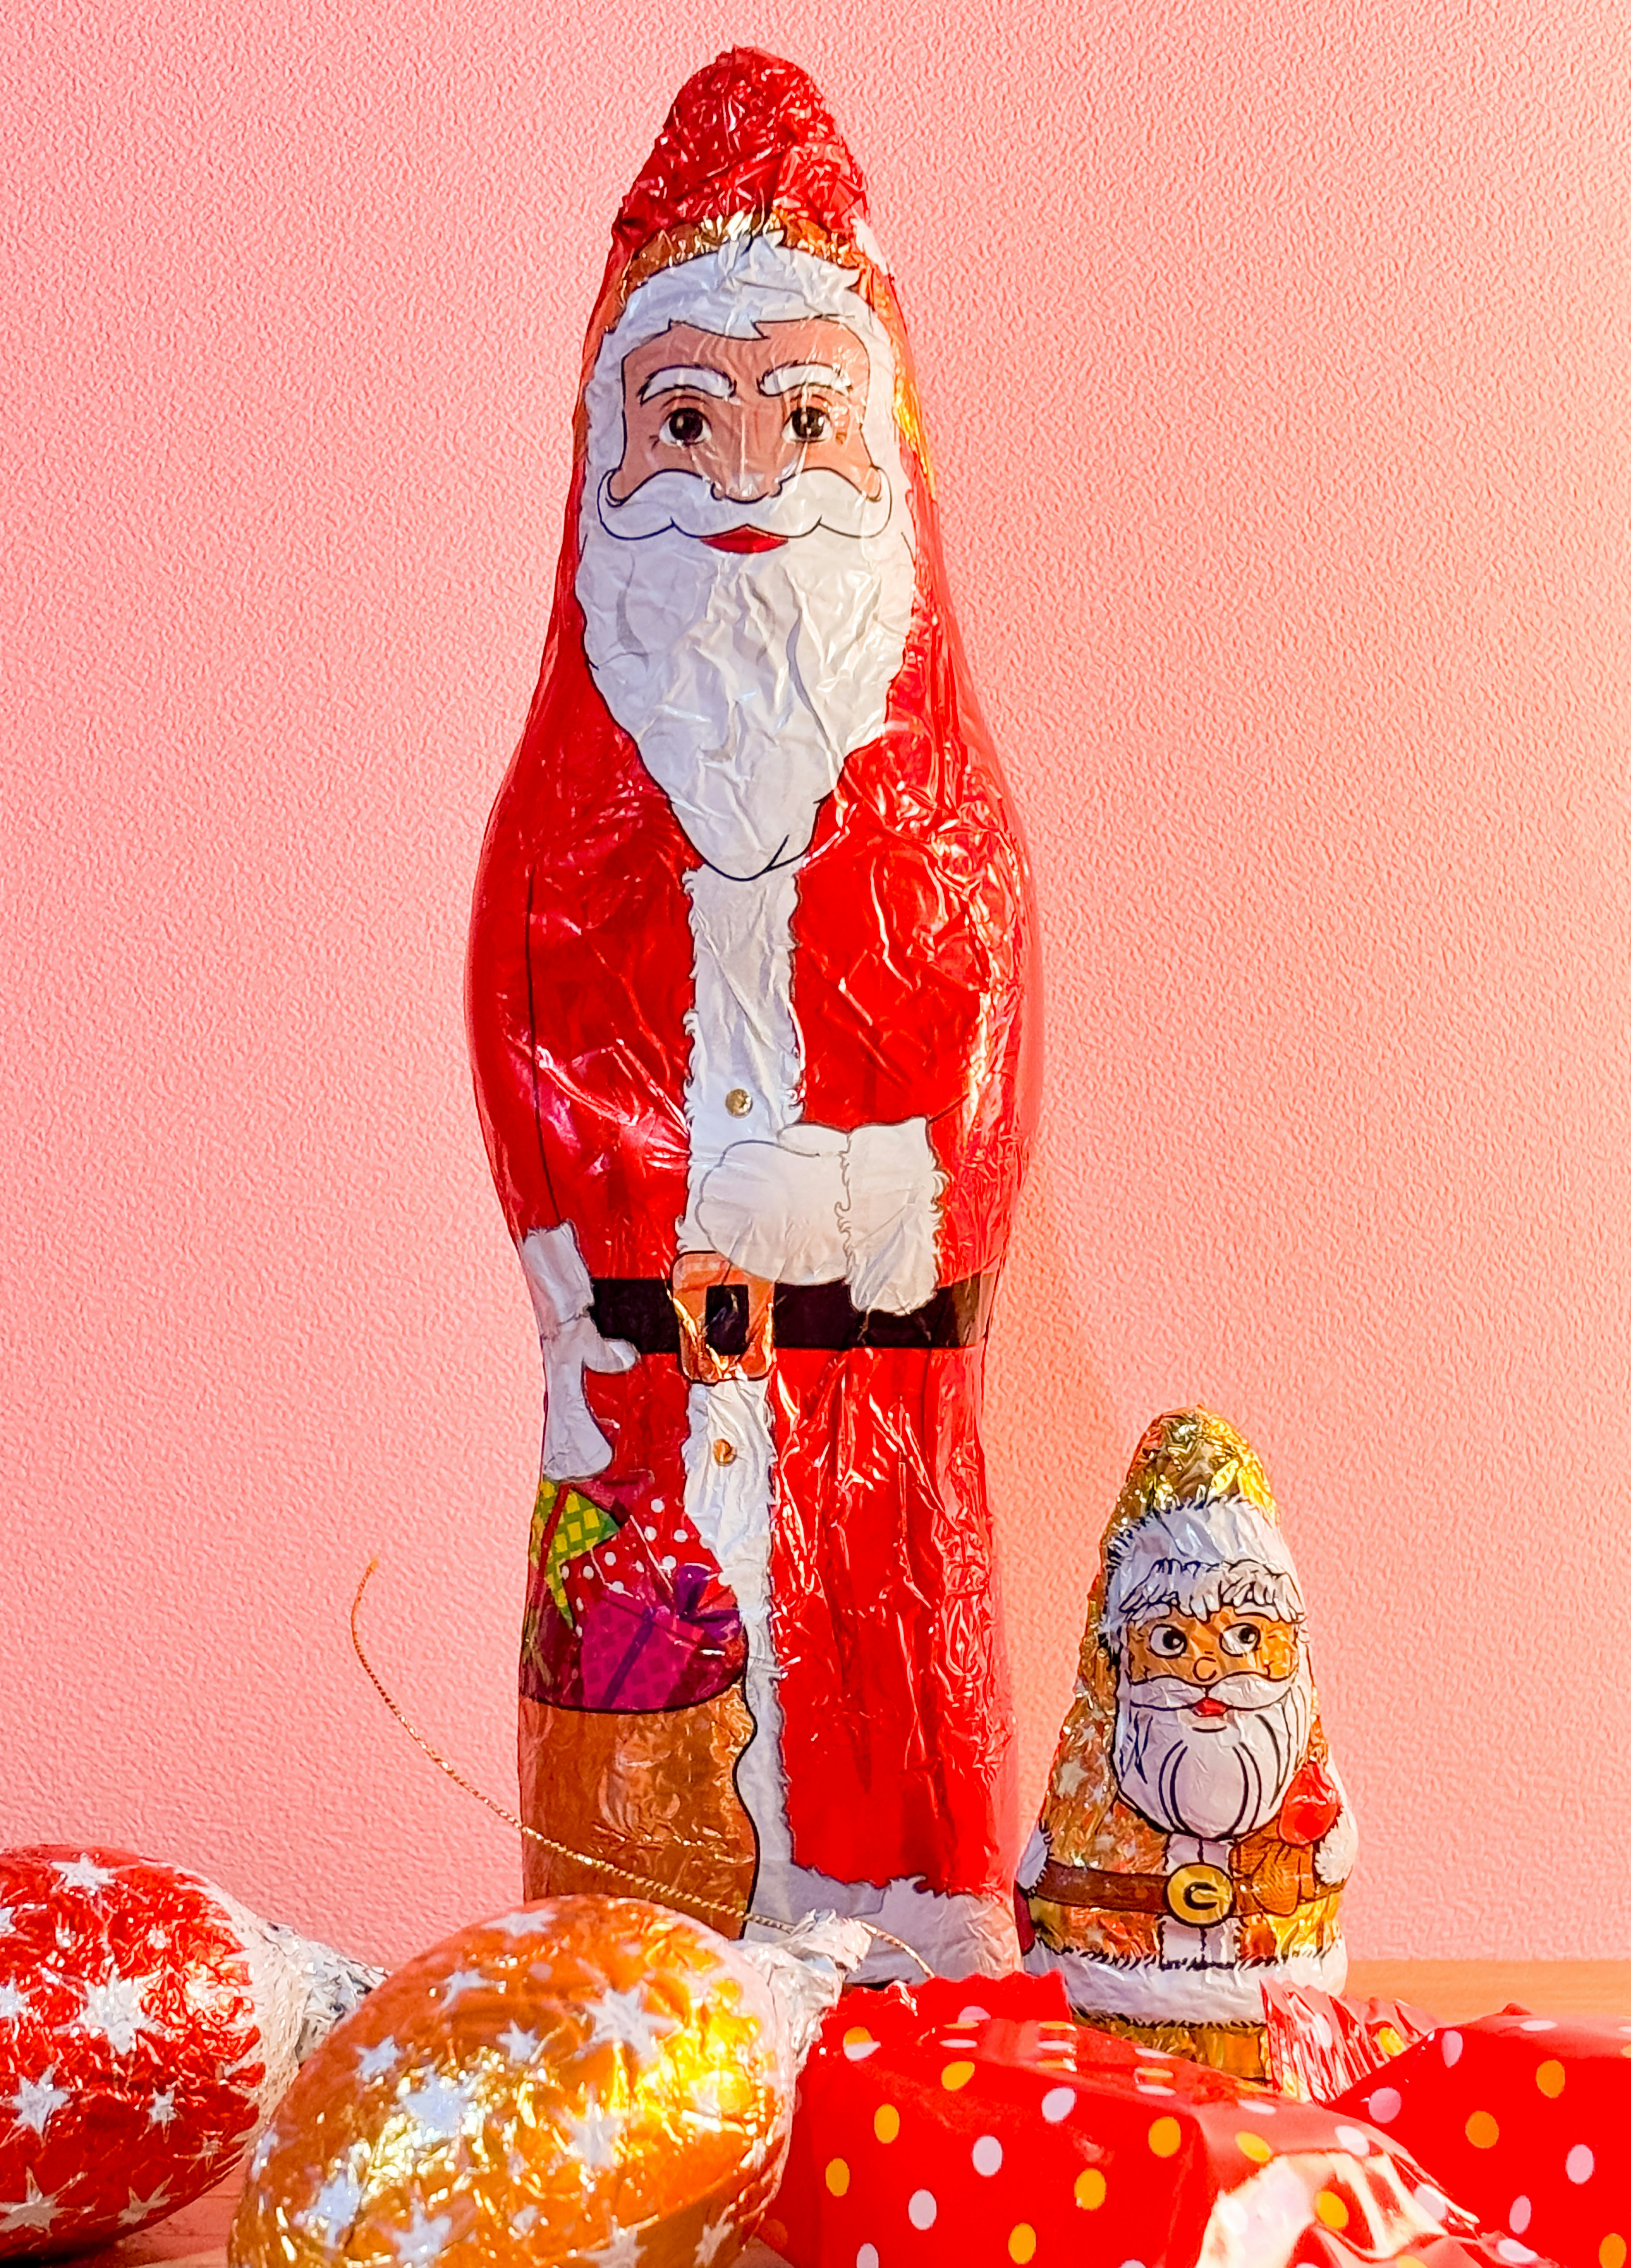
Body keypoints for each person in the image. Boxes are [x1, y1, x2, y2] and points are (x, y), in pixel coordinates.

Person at [466, 50, 1036, 1979]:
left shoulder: (935, 821)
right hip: (640, 1412)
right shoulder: (570, 812)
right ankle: (633, 1984)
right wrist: (623, 1242)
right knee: (640, 1830)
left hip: (862, 1414)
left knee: (875, 1707)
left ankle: (898, 1960)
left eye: (802, 419)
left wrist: (829, 1201)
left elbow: (966, 1114)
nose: (743, 482)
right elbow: (535, 1058)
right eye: (685, 422)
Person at [1017, 1408, 1356, 2074]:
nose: (1206, 1672)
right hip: (1109, 2055)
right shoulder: (1106, 1775)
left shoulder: (1303, 1791)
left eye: (1244, 1638)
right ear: (1123, 1656)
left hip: (1278, 2044)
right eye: (1172, 1642)